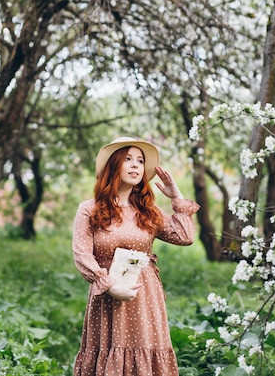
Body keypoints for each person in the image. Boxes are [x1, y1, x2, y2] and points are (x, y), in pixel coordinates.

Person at [72, 136, 200, 376]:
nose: (135, 165)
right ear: (113, 166)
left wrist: (176, 197)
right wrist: (109, 286)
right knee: (111, 351)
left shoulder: (147, 210)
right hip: (107, 295)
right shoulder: (90, 208)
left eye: (140, 161)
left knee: (144, 352)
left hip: (144, 295)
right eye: (127, 159)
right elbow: (82, 255)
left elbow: (184, 236)